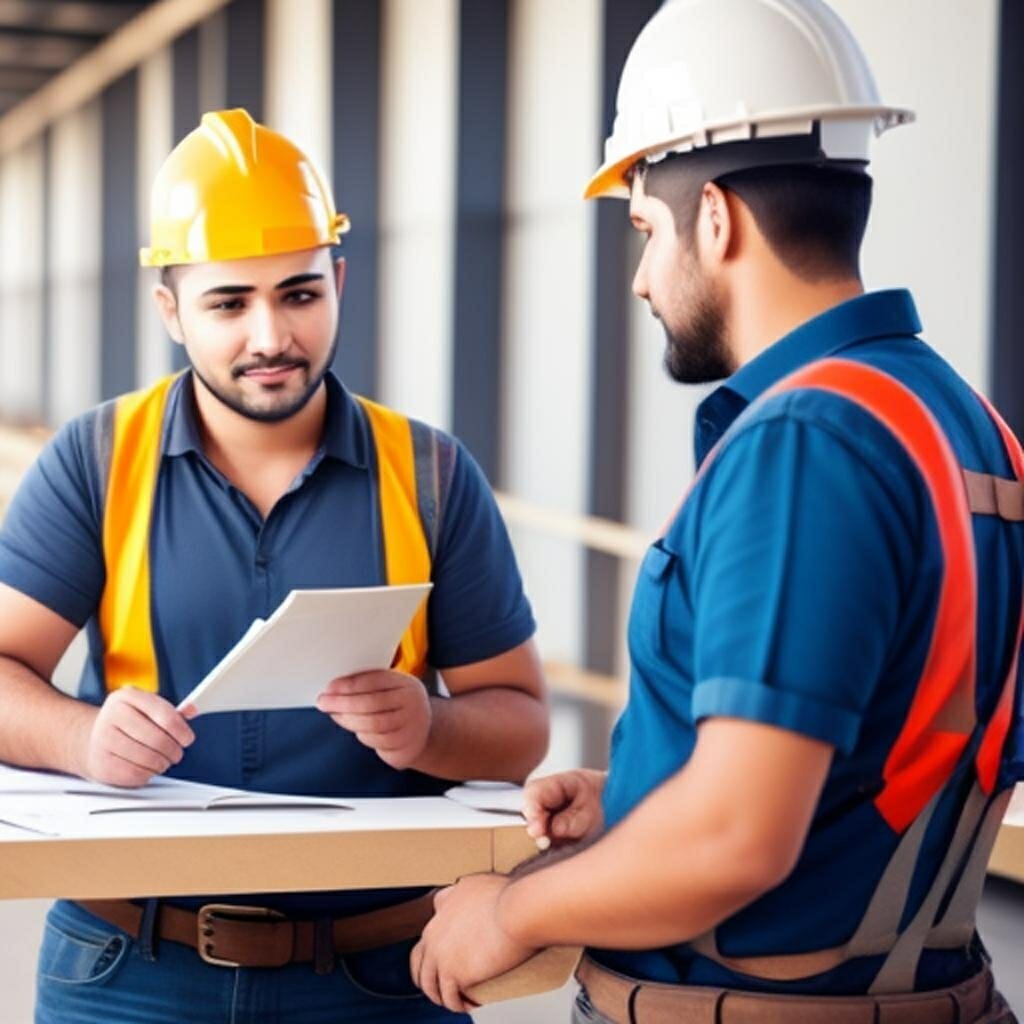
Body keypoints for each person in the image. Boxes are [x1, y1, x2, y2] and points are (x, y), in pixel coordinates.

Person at [411, 1, 1024, 1021]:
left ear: (715, 218)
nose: (645, 279)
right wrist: (646, 790)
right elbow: (873, 754)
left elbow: (738, 836)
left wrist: (511, 914)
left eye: (645, 232)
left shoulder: (805, 444)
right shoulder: (964, 427)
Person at [0, 108, 548, 1024]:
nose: (270, 336)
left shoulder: (433, 474)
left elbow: (520, 722)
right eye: (229, 302)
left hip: (379, 973)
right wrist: (81, 739)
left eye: (299, 294)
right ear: (170, 309)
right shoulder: (97, 460)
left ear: (338, 280)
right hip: (126, 971)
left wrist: (428, 728)